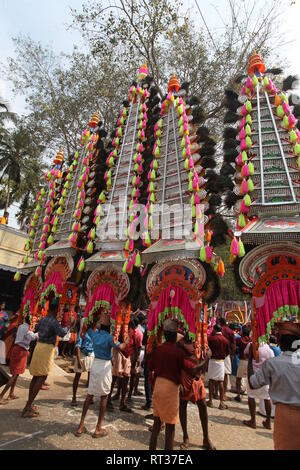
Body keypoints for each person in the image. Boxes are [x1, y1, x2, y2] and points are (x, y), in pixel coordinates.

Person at [148, 319, 204, 451]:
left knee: (156, 425)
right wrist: (206, 359)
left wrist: (152, 383)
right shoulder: (179, 352)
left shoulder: (158, 349)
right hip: (170, 389)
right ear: (175, 335)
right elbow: (193, 370)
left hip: (158, 386)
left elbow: (150, 367)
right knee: (170, 427)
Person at [247, 321, 300, 450]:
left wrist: (250, 359)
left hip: (284, 415)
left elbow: (253, 383)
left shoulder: (273, 364)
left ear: (280, 342)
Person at [75, 310, 127, 438]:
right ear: (109, 327)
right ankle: (98, 427)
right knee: (104, 396)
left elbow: (88, 326)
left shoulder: (94, 334)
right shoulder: (110, 337)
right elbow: (121, 347)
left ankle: (81, 425)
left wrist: (94, 313)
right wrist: (127, 339)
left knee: (90, 394)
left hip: (95, 364)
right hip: (104, 366)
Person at [21, 298, 69, 418]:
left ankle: (29, 404)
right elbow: (62, 333)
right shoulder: (53, 322)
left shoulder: (43, 319)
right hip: (46, 349)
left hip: (39, 346)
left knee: (36, 376)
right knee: (41, 377)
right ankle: (28, 406)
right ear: (56, 309)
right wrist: (70, 326)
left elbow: (36, 330)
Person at [177, 333, 215, 450]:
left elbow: (203, 358)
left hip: (197, 379)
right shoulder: (180, 343)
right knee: (183, 406)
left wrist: (203, 372)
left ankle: (206, 438)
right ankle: (185, 437)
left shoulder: (201, 341)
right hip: (185, 378)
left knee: (203, 405)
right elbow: (180, 364)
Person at [0, 315, 38, 404]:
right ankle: (1, 396)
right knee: (14, 375)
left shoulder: (22, 326)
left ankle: (11, 393)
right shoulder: (26, 328)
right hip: (20, 351)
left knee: (16, 374)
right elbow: (32, 337)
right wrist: (40, 333)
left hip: (18, 349)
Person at [243, 340, 274, 430]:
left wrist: (252, 360)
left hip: (253, 374)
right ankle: (268, 421)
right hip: (265, 375)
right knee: (266, 398)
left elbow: (245, 354)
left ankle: (253, 420)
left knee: (251, 396)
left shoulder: (251, 345)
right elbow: (271, 361)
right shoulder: (269, 349)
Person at [107, 328, 132, 413]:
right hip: (118, 353)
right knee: (114, 378)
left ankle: (122, 403)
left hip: (127, 355)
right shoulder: (117, 330)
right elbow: (118, 345)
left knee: (125, 379)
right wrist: (126, 341)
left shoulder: (129, 331)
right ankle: (108, 400)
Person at [207, 324, 230, 410]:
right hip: (221, 362)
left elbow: (207, 349)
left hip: (212, 361)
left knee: (211, 381)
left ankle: (210, 401)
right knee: (221, 381)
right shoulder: (225, 340)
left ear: (215, 330)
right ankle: (221, 402)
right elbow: (228, 351)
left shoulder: (211, 339)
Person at [71, 324, 95, 406]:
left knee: (91, 377)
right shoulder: (82, 331)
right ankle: (74, 397)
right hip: (82, 354)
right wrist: (78, 359)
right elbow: (78, 346)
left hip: (91, 354)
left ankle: (90, 397)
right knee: (77, 376)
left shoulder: (95, 331)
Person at [217, 317, 236, 399]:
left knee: (216, 375)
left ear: (220, 322)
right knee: (225, 375)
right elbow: (234, 345)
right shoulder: (230, 331)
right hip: (227, 355)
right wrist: (232, 355)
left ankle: (215, 392)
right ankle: (223, 393)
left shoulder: (217, 330)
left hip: (217, 354)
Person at [127, 319, 143, 401]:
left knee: (133, 375)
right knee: (127, 376)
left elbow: (138, 348)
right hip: (128, 355)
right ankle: (127, 393)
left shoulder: (138, 333)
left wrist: (136, 358)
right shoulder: (131, 332)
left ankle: (130, 394)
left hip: (133, 356)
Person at [234, 326, 251, 402]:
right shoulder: (251, 341)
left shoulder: (239, 340)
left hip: (242, 361)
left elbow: (234, 348)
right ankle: (249, 396)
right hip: (249, 362)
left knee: (238, 378)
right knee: (249, 379)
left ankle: (238, 395)